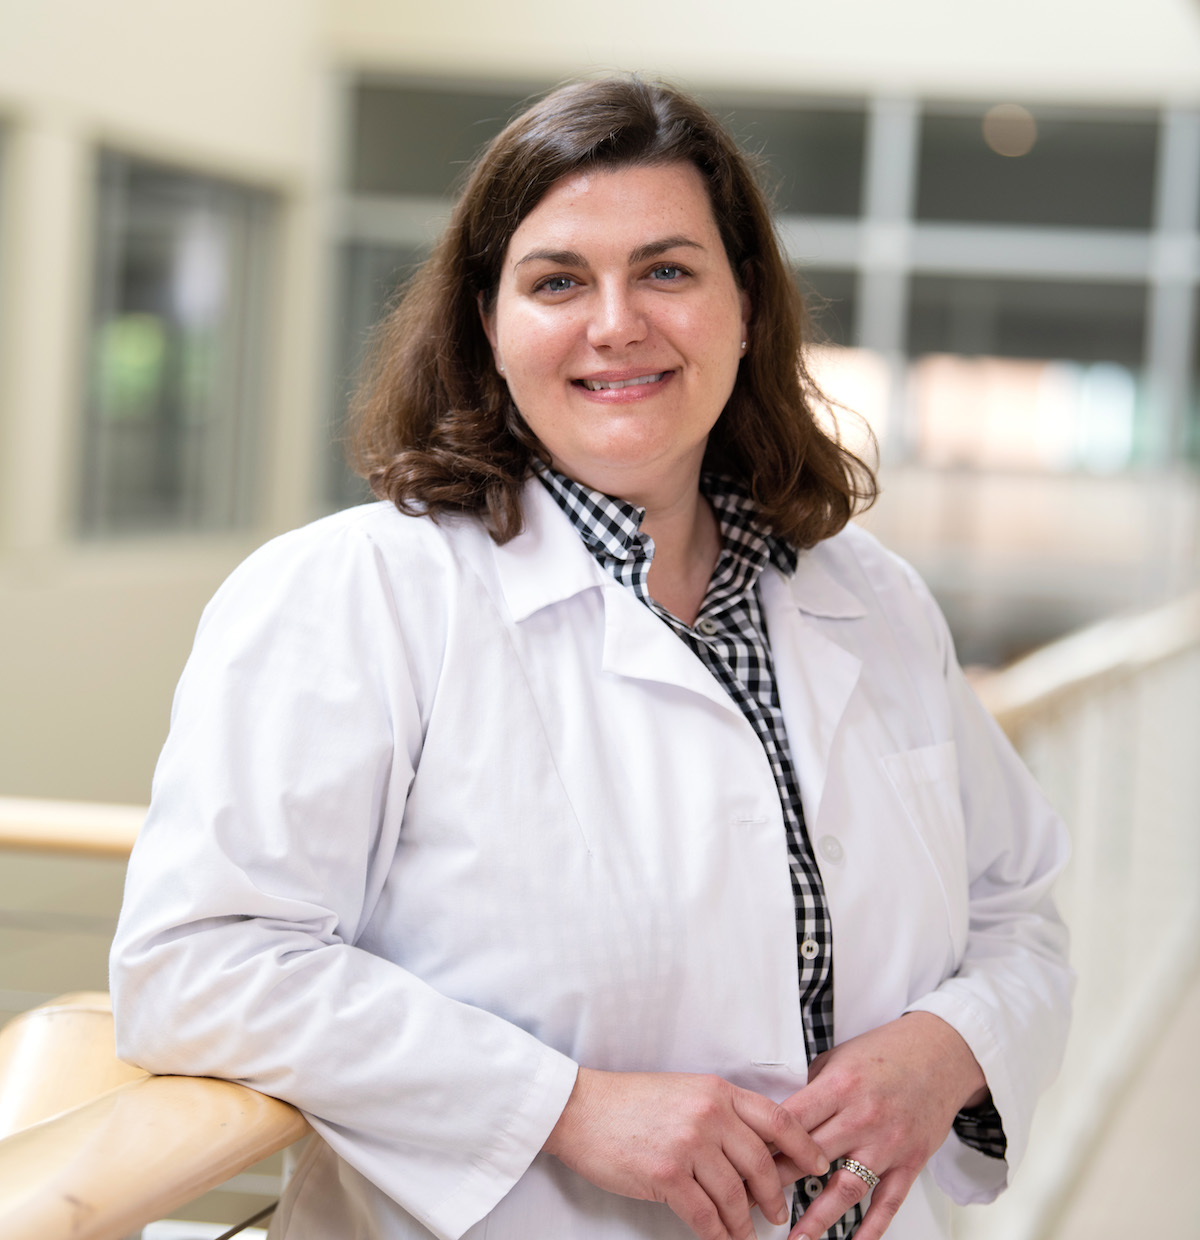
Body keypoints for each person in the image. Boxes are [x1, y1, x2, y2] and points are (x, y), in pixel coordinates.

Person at [110, 78, 1072, 1240]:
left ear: (747, 306)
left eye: (668, 270)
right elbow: (199, 965)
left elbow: (1016, 909)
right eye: (558, 279)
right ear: (489, 322)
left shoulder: (871, 598)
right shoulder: (354, 596)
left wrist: (948, 1049)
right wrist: (561, 1105)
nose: (616, 322)